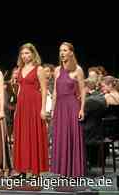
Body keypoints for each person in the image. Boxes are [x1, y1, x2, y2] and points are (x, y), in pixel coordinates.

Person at [12, 43, 49, 179]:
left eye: (27, 53)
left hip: (34, 104)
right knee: (22, 136)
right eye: (23, 53)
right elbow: (20, 89)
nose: (25, 56)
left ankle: (35, 172)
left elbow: (44, 90)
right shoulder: (20, 68)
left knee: (34, 136)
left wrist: (43, 109)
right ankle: (22, 170)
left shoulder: (38, 69)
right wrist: (17, 107)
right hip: (22, 105)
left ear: (33, 54)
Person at [51, 42, 85, 177]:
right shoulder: (57, 70)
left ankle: (74, 171)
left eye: (65, 50)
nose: (62, 53)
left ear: (71, 52)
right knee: (61, 137)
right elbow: (54, 92)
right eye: (60, 50)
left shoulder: (78, 70)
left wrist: (82, 109)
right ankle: (63, 171)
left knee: (72, 136)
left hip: (72, 107)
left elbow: (82, 91)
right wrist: (53, 110)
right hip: (60, 107)